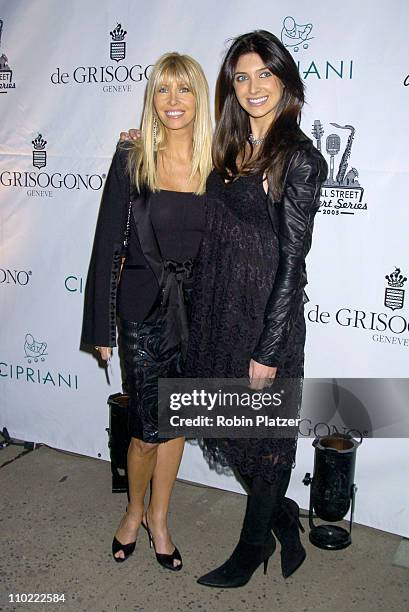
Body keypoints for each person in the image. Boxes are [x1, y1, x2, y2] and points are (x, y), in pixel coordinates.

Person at [184, 30, 327, 587]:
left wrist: (268, 350)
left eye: (264, 74)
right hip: (221, 311)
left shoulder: (299, 159)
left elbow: (294, 264)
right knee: (230, 427)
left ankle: (250, 548)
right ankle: (284, 517)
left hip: (268, 318)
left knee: (263, 440)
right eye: (241, 77)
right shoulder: (229, 147)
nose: (253, 87)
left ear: (284, 79)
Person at [81, 52, 212, 570]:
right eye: (163, 90)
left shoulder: (218, 167)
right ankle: (133, 509)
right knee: (144, 428)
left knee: (176, 422)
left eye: (183, 90)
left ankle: (160, 517)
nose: (173, 102)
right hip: (141, 311)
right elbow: (108, 242)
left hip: (194, 312)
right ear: (151, 98)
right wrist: (101, 324)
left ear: (199, 98)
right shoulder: (131, 159)